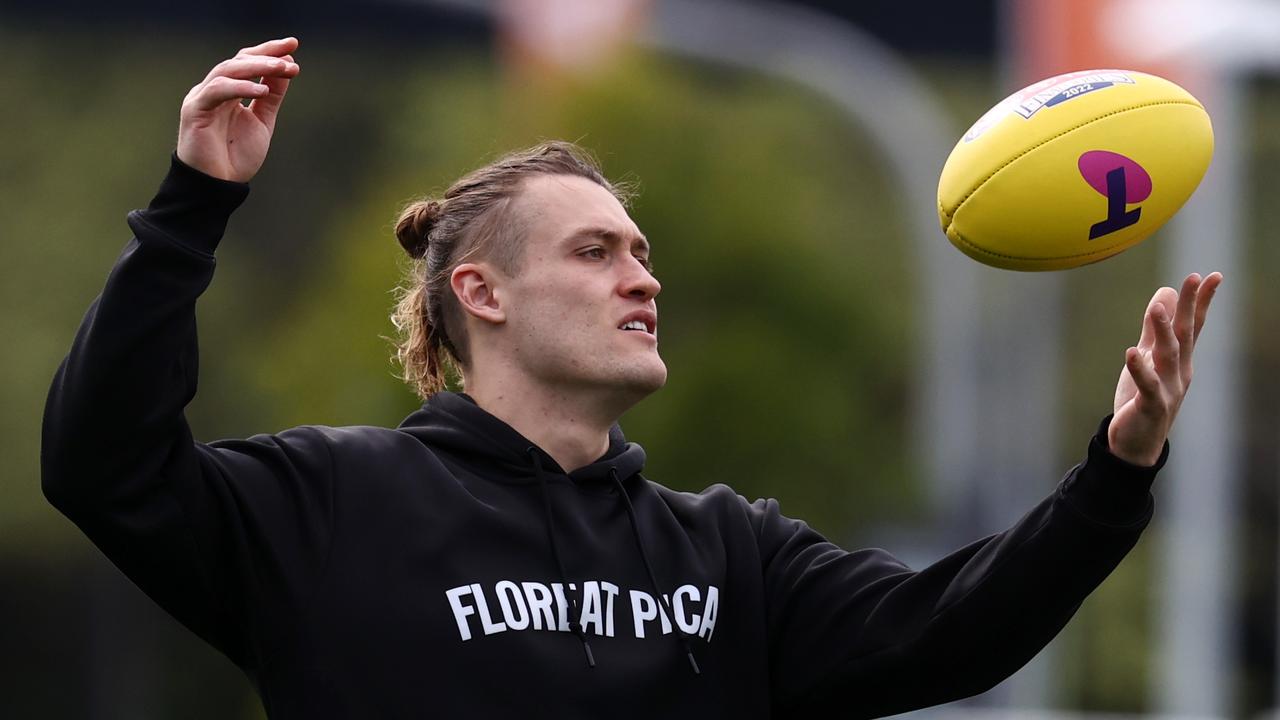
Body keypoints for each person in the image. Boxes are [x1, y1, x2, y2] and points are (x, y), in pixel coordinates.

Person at [41, 37, 1222, 719]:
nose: (640, 280)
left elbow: (950, 630)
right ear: (481, 296)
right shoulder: (324, 504)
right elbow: (103, 465)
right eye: (595, 252)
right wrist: (196, 206)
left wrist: (1112, 474)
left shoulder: (728, 553)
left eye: (642, 255)